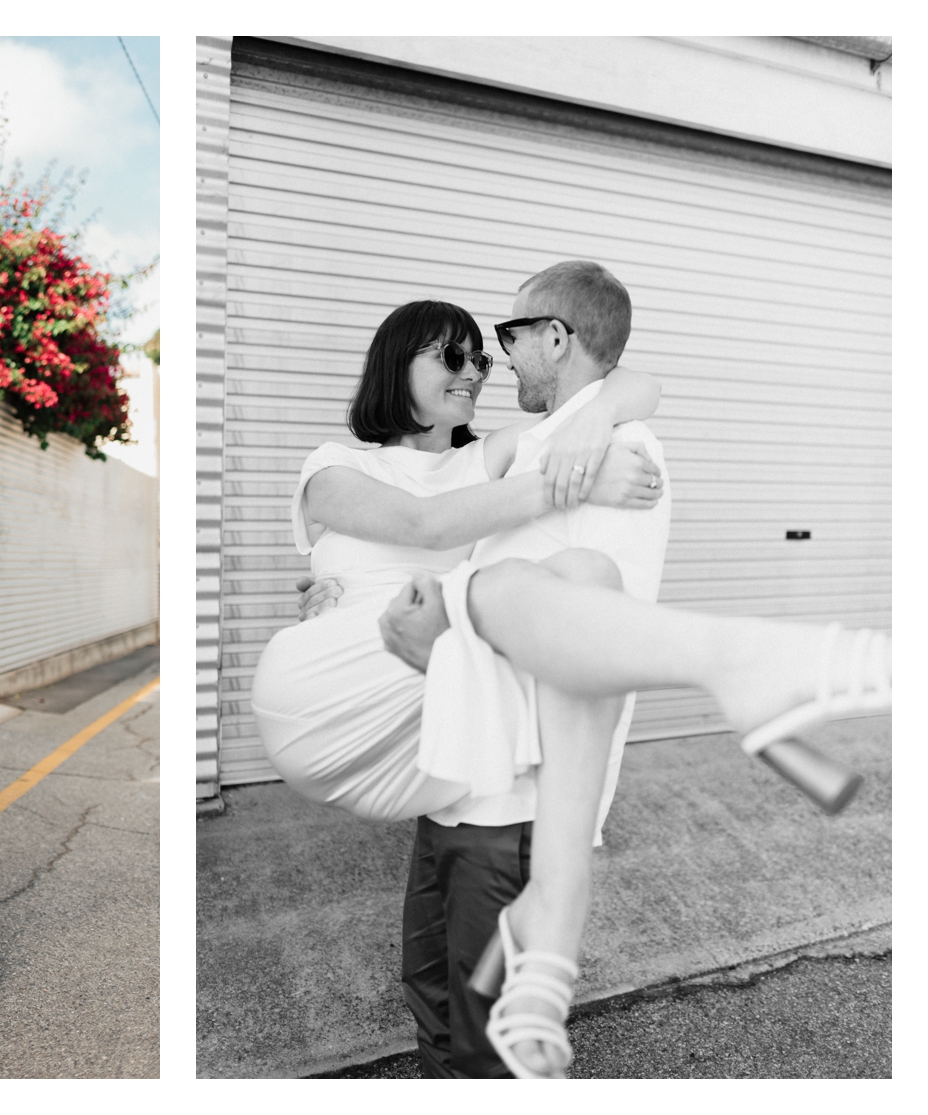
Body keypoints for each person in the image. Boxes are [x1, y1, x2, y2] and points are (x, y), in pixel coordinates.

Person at [265, 264, 889, 1077]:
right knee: (520, 585)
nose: (477, 372)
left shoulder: (492, 458)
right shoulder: (333, 465)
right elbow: (424, 521)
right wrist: (578, 473)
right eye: (450, 357)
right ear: (394, 367)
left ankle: (555, 907)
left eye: (486, 356)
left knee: (582, 575)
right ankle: (732, 659)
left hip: (432, 720)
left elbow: (618, 380)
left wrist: (600, 424)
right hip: (326, 685)